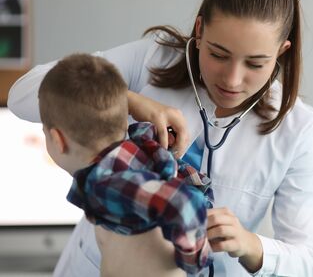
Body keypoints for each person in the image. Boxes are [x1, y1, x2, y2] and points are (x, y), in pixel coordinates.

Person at [7, 0, 313, 276]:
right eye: (218, 54)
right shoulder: (152, 60)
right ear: (199, 31)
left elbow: (312, 260)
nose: (232, 79)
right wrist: (126, 99)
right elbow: (22, 95)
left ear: (281, 52)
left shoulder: (299, 129)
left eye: (255, 63)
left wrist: (251, 245)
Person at [37, 53, 213, 276]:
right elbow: (194, 186)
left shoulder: (103, 183)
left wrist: (194, 259)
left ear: (57, 140)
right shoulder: (139, 153)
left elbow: (183, 203)